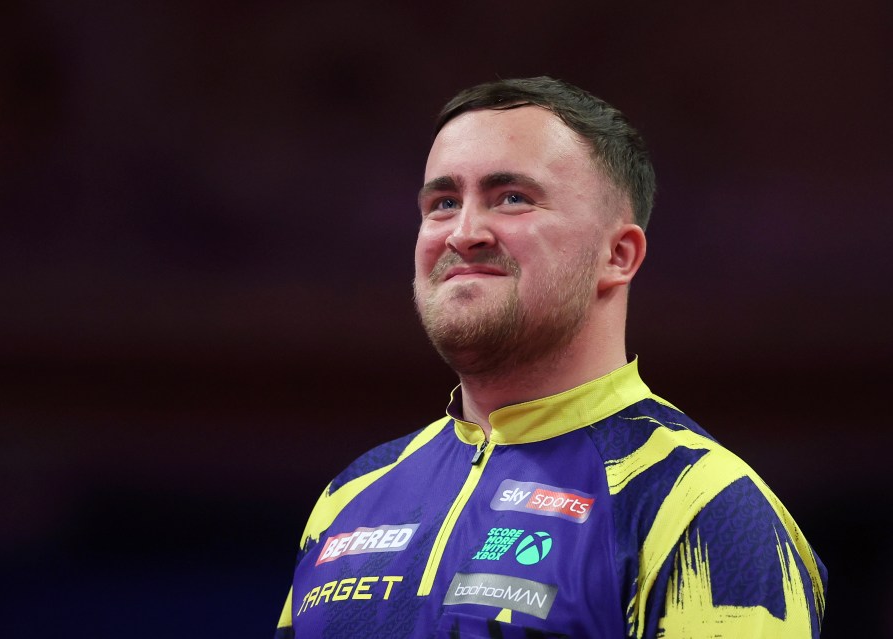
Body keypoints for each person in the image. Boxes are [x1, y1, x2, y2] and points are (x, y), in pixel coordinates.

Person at [274, 77, 827, 638]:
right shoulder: (352, 496)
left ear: (618, 254)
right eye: (443, 203)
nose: (463, 233)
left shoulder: (698, 501)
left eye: (511, 198)